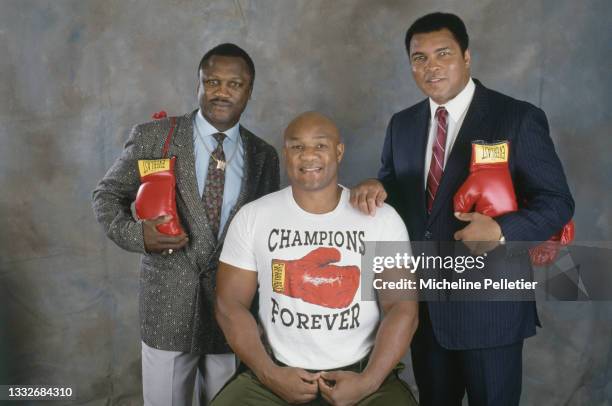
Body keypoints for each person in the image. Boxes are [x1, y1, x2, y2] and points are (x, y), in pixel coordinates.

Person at [350, 12, 574, 406]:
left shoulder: (516, 118)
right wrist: (377, 184)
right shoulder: (401, 125)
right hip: (426, 311)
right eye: (419, 58)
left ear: (466, 56)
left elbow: (557, 203)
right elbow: (398, 192)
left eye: (443, 54)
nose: (431, 66)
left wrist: (501, 231)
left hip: (492, 311)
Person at [92, 43, 279, 405]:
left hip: (232, 314)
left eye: (234, 84)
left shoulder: (263, 156)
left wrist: (267, 310)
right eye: (212, 81)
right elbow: (106, 195)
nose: (221, 92)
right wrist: (139, 235)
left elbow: (269, 238)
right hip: (167, 310)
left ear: (250, 90)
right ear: (198, 84)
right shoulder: (155, 136)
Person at [212, 112, 418, 405]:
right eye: (297, 147)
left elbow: (402, 307)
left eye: (320, 146)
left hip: (360, 372)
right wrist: (270, 374)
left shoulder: (379, 218)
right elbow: (229, 304)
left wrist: (367, 383)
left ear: (339, 151)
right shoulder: (254, 217)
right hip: (276, 373)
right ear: (286, 153)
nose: (308, 156)